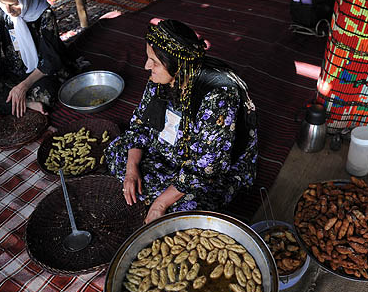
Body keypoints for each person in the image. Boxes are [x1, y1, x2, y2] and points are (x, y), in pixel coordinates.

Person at [105, 19, 258, 224]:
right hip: (167, 153)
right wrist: (131, 171)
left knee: (188, 209)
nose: (146, 66)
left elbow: (207, 168)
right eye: (149, 58)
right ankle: (155, 189)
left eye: (155, 62)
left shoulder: (218, 96)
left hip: (207, 172)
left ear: (178, 66)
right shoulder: (161, 80)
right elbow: (140, 125)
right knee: (117, 152)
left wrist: (160, 204)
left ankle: (163, 197)